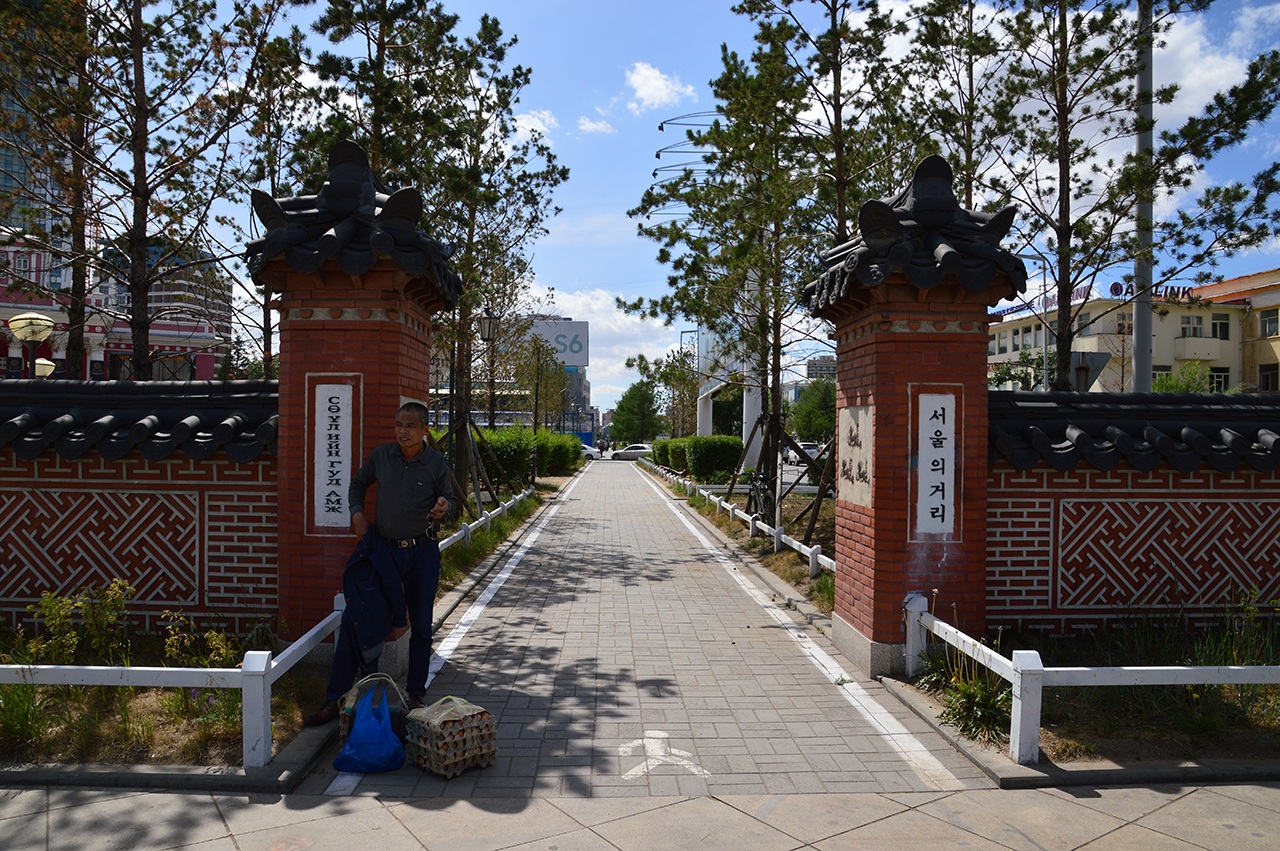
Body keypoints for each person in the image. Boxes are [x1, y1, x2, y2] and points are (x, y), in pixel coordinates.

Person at [304, 402, 458, 725]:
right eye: (399, 424)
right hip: (383, 553)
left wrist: (445, 505)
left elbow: (454, 502)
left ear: (425, 430)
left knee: (421, 626)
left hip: (422, 553)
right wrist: (356, 512)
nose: (403, 431)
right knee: (355, 618)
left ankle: (416, 692)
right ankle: (336, 698)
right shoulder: (382, 456)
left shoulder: (435, 463)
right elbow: (357, 485)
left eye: (411, 426)